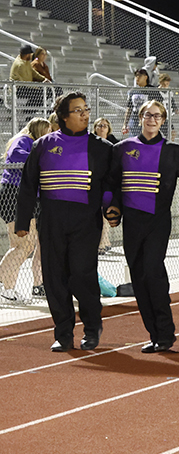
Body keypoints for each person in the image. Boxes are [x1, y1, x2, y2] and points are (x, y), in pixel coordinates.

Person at [15, 92, 114, 351]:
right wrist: (22, 221)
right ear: (64, 117)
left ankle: (92, 329)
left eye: (86, 109)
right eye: (78, 110)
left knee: (83, 276)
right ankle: (63, 333)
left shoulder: (102, 148)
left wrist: (112, 208)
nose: (85, 114)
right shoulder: (43, 145)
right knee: (54, 278)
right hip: (51, 221)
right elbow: (28, 185)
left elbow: (110, 184)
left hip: (86, 222)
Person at [107, 100, 179, 353]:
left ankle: (166, 332)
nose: (152, 120)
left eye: (157, 116)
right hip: (132, 225)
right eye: (148, 115)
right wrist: (111, 209)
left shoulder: (174, 151)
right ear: (140, 117)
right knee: (139, 279)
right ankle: (155, 335)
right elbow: (111, 184)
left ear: (163, 120)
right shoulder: (121, 149)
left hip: (157, 223)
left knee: (153, 274)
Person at [0, 118, 50, 302]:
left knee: (25, 244)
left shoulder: (35, 145)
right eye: (47, 131)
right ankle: (7, 289)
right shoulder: (25, 140)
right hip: (14, 194)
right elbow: (16, 156)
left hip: (25, 196)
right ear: (38, 131)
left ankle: (7, 287)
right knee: (23, 244)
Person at [93, 118, 119, 254]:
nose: (102, 128)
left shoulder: (114, 144)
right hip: (94, 182)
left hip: (108, 182)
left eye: (105, 126)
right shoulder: (90, 142)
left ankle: (102, 243)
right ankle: (104, 241)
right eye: (99, 125)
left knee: (105, 212)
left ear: (109, 128)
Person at [122, 69, 162, 137]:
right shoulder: (133, 91)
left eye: (139, 76)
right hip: (135, 120)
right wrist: (125, 124)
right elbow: (129, 108)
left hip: (148, 120)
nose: (137, 78)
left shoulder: (152, 90)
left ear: (145, 77)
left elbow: (159, 105)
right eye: (136, 76)